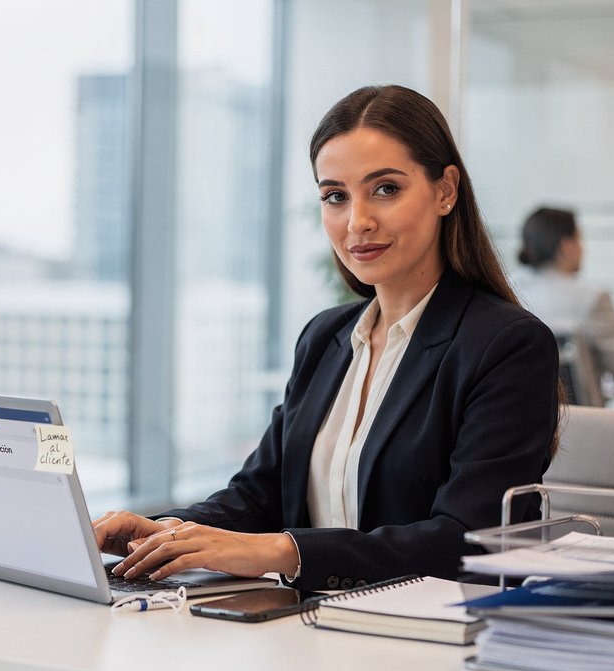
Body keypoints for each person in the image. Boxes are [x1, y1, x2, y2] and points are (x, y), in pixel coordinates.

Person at [93, 85, 559, 590]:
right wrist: (167, 532)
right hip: (305, 622)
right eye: (336, 196)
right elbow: (259, 494)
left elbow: (468, 541)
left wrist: (284, 551)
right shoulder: (325, 337)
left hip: (430, 628)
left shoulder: (507, 346)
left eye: (386, 189)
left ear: (445, 191)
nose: (358, 222)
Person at [513, 207, 614, 406]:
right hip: (583, 422)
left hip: (523, 421)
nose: (583, 249)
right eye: (579, 240)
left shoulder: (509, 291)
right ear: (566, 246)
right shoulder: (592, 298)